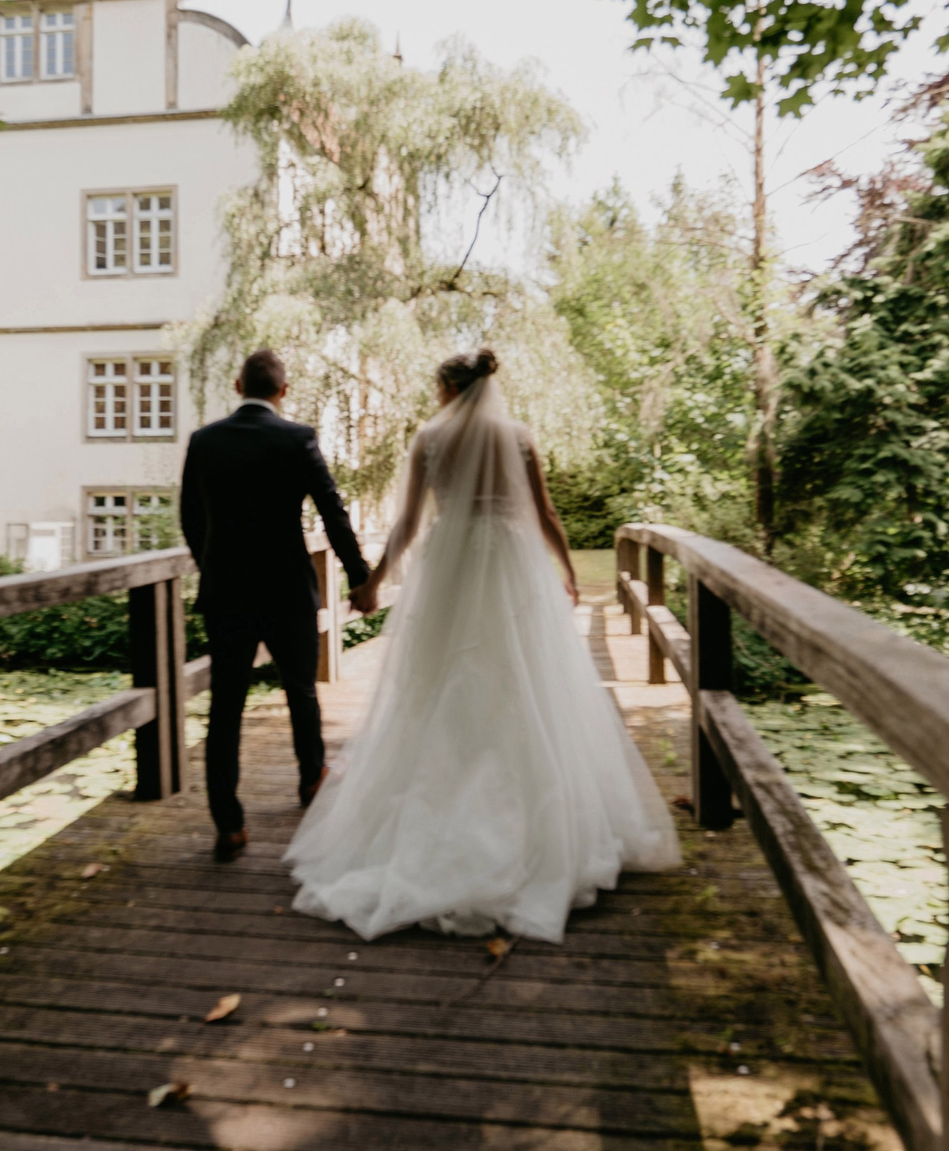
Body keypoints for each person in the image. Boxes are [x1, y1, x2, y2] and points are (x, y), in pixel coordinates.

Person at [286, 349, 679, 942]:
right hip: (512, 565)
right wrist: (566, 569)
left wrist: (374, 580)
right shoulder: (516, 436)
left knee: (441, 681)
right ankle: (534, 830)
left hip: (452, 566)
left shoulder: (430, 439)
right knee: (526, 682)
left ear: (448, 387)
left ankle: (438, 823)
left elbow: (410, 523)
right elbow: (544, 511)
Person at [178, 347, 371, 861]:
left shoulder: (204, 441)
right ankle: (310, 781)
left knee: (226, 706)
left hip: (226, 593)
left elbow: (190, 519)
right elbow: (333, 512)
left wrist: (212, 565)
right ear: (282, 392)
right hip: (288, 587)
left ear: (237, 387)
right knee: (301, 690)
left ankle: (229, 824)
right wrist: (360, 577)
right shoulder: (298, 439)